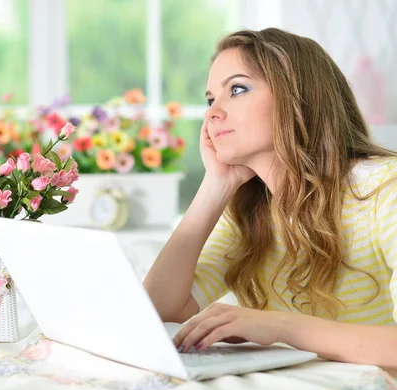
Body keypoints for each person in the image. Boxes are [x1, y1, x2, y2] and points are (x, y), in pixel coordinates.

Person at [143, 28, 397, 369]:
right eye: (209, 99)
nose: (212, 113)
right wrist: (215, 185)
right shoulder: (250, 210)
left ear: (299, 97)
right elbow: (159, 310)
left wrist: (280, 326)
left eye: (236, 89)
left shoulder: (386, 189)